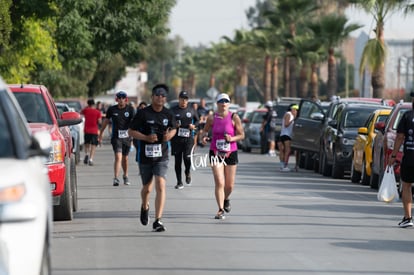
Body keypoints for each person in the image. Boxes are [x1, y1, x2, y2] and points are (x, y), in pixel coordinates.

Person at [128, 83, 176, 232]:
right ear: (152, 97)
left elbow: (174, 128)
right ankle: (145, 206)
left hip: (162, 155)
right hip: (145, 156)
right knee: (147, 189)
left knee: (160, 184)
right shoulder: (143, 113)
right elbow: (130, 131)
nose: (160, 98)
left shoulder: (168, 114)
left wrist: (169, 136)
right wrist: (146, 137)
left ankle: (158, 220)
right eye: (158, 95)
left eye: (163, 96)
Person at [199, 93, 244, 220]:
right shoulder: (212, 118)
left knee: (229, 186)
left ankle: (226, 198)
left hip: (231, 152)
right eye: (221, 101)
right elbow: (205, 131)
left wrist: (232, 138)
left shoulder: (234, 117)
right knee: (219, 181)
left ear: (229, 104)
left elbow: (241, 135)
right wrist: (203, 137)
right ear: (217, 103)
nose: (224, 103)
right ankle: (220, 209)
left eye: (226, 101)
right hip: (216, 152)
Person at [98, 91, 135, 186]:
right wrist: (100, 133)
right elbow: (106, 122)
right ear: (116, 99)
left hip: (127, 137)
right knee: (118, 157)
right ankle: (116, 178)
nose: (121, 100)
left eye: (123, 98)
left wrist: (135, 135)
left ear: (126, 99)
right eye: (119, 98)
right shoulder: (112, 109)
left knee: (125, 158)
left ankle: (125, 176)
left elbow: (135, 123)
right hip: (116, 137)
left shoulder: (130, 109)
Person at [388, 92, 414, 228]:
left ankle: (408, 217)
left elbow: (399, 138)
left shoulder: (407, 116)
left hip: (410, 158)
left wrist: (393, 156)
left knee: (407, 186)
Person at [170, 90, 199, 189]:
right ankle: (179, 182)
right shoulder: (173, 110)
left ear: (187, 100)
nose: (184, 101)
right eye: (182, 99)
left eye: (186, 99)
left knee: (187, 158)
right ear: (179, 99)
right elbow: (168, 122)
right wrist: (174, 125)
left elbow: (198, 121)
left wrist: (193, 126)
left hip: (188, 139)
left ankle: (187, 171)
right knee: (177, 161)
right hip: (176, 139)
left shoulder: (191, 110)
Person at [80, 99, 102, 166]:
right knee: (93, 145)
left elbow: (80, 114)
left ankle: (86, 154)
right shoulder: (97, 112)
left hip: (87, 130)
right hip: (94, 130)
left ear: (88, 104)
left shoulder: (85, 110)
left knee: (87, 143)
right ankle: (91, 159)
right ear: (94, 104)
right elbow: (100, 122)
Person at [278, 103, 299, 172]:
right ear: (292, 109)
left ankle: (282, 165)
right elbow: (286, 124)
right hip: (286, 135)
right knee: (287, 151)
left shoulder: (290, 114)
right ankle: (284, 165)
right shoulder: (289, 114)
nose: (296, 111)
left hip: (284, 134)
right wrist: (293, 120)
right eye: (295, 110)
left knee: (283, 151)